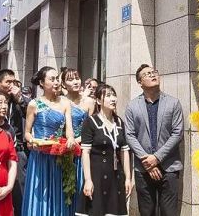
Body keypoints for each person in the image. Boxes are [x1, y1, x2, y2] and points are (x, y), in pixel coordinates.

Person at [124, 64, 183, 216]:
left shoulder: (173, 103)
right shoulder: (132, 106)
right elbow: (129, 135)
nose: (152, 75)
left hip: (169, 167)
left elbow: (177, 133)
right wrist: (147, 162)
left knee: (169, 212)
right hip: (143, 169)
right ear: (140, 82)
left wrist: (156, 158)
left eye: (154, 72)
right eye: (147, 74)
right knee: (147, 212)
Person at [22, 66, 76, 216]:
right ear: (42, 82)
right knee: (40, 195)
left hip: (58, 154)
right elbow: (27, 133)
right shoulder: (34, 104)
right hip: (40, 155)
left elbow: (69, 128)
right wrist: (33, 141)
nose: (56, 82)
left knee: (57, 194)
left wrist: (71, 138)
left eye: (57, 79)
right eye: (52, 79)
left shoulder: (65, 102)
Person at [78, 84, 132, 216]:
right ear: (98, 100)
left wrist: (128, 178)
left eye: (114, 95)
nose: (113, 99)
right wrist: (88, 180)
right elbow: (85, 153)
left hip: (116, 176)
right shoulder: (90, 122)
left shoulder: (119, 122)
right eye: (108, 96)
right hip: (97, 176)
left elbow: (124, 152)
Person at [60, 67, 95, 211]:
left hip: (82, 150)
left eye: (77, 78)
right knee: (63, 189)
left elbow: (92, 128)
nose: (75, 81)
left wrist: (77, 140)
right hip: (63, 150)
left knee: (80, 187)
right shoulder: (60, 101)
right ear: (63, 84)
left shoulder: (89, 102)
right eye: (70, 79)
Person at [0, 69, 29, 215]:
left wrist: (19, 99)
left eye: (13, 82)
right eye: (7, 82)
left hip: (17, 151)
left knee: (19, 191)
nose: (11, 85)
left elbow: (31, 114)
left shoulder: (20, 100)